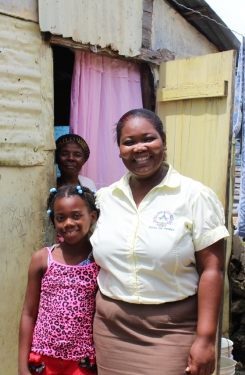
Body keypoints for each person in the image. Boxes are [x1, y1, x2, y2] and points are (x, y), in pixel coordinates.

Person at [91, 108, 229, 375]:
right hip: (111, 330)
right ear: (119, 150)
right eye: (129, 142)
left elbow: (212, 271)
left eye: (148, 139)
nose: (139, 148)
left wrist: (205, 339)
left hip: (172, 329)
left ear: (164, 141)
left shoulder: (194, 196)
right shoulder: (105, 199)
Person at [18, 185, 100, 375]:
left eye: (76, 215)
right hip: (43, 360)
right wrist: (22, 367)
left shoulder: (100, 260)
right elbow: (28, 313)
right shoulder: (42, 259)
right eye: (60, 218)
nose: (68, 223)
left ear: (92, 217)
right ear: (54, 221)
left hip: (83, 361)